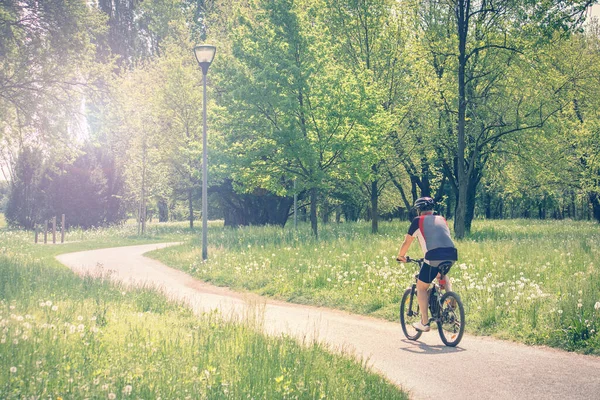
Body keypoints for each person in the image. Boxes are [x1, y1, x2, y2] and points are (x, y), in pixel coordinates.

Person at [396, 197, 458, 332]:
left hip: (433, 256)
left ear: (419, 210)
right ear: (432, 209)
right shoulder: (442, 219)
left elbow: (407, 242)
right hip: (451, 254)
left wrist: (401, 256)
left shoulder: (418, 221)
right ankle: (451, 301)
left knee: (421, 287)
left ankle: (424, 322)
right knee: (442, 275)